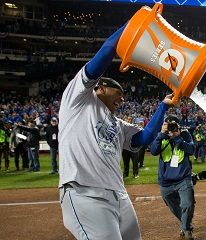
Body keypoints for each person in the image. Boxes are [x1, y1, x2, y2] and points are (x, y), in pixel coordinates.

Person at [58, 24, 175, 240]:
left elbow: (143, 138)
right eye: (118, 93)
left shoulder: (117, 123)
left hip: (119, 194)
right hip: (84, 192)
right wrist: (135, 23)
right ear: (100, 87)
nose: (122, 99)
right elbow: (108, 49)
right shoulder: (78, 99)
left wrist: (163, 107)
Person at [150, 115, 195, 240]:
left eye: (174, 125)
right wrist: (161, 135)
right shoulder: (161, 135)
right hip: (165, 181)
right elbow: (153, 151)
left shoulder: (185, 135)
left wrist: (178, 137)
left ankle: (186, 230)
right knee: (173, 206)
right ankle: (186, 223)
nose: (171, 127)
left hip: (183, 178)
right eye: (168, 124)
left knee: (187, 204)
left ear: (179, 126)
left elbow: (191, 150)